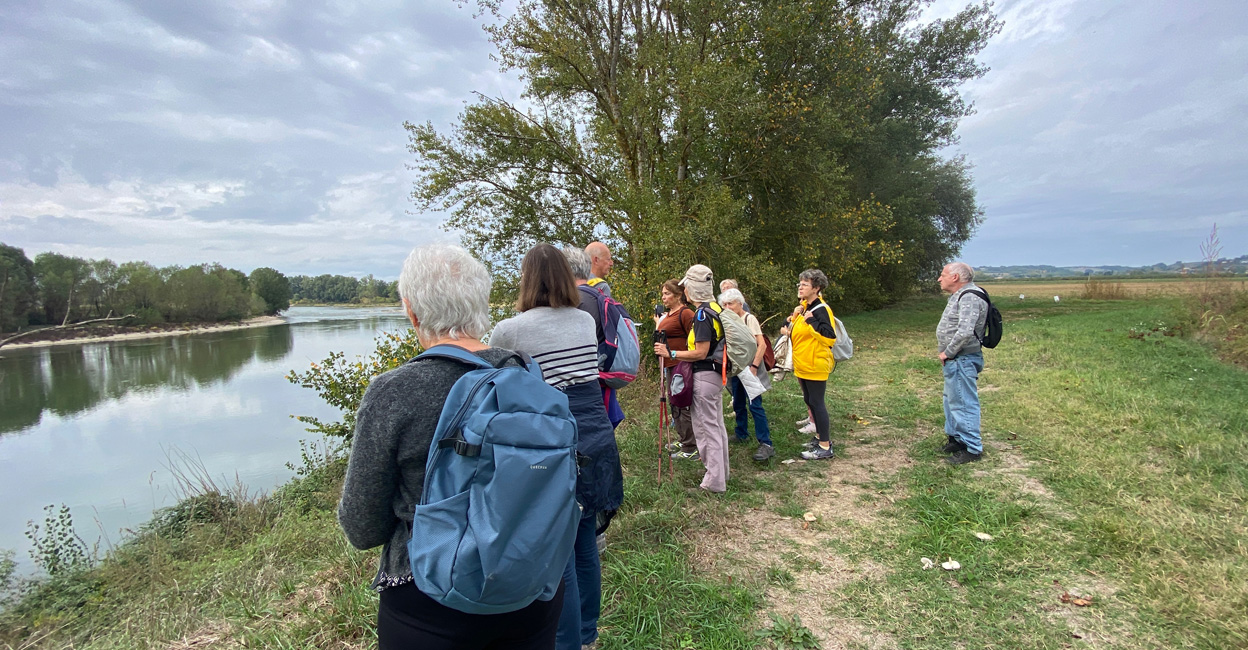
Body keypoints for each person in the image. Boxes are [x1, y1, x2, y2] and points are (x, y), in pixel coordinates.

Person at [338, 243, 564, 649]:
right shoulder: (525, 374)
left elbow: (362, 526)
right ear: (482, 304)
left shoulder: (394, 392)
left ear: (412, 311)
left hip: (430, 598)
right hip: (530, 582)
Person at [490, 243, 624, 649]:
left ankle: (566, 643)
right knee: (584, 542)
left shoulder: (510, 330)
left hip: (551, 442)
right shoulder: (583, 320)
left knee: (557, 552)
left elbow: (498, 387)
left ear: (527, 279)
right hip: (593, 433)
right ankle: (587, 635)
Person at [653, 264, 730, 493]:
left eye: (686, 287)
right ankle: (721, 473)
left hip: (704, 374)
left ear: (691, 289)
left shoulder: (702, 313)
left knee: (706, 428)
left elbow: (701, 351)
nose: (685, 291)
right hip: (716, 374)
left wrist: (671, 353)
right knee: (716, 425)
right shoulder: (716, 307)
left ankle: (713, 481)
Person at [564, 246, 625, 429]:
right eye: (608, 259)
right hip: (598, 366)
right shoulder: (600, 287)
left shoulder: (567, 291)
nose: (611, 263)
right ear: (595, 260)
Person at [781, 269, 837, 461]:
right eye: (800, 284)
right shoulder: (805, 307)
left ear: (817, 287)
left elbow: (830, 337)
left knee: (817, 403)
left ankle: (825, 446)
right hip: (803, 363)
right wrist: (793, 318)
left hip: (815, 364)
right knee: (810, 401)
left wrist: (811, 321)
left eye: (805, 284)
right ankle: (819, 437)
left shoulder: (821, 309)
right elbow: (794, 330)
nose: (800, 287)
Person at [937, 261, 988, 465]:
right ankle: (957, 440)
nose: (940, 279)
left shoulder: (969, 297)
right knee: (952, 399)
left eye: (943, 275)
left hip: (962, 358)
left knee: (963, 402)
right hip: (957, 359)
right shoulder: (959, 295)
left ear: (955, 277)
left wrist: (948, 353)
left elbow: (965, 331)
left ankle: (972, 448)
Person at [719, 287, 773, 461]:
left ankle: (766, 443)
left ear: (740, 304)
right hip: (736, 368)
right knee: (738, 403)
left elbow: (761, 344)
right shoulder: (727, 320)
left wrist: (755, 366)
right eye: (725, 304)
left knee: (755, 405)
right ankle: (741, 433)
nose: (728, 307)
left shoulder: (749, 319)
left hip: (751, 367)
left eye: (731, 303)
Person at [654, 278, 697, 460]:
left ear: (678, 295)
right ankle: (683, 438)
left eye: (667, 293)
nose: (663, 297)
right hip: (669, 365)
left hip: (681, 365)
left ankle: (691, 446)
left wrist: (681, 356)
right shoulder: (669, 314)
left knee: (682, 403)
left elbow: (694, 338)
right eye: (663, 293)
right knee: (674, 403)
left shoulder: (686, 313)